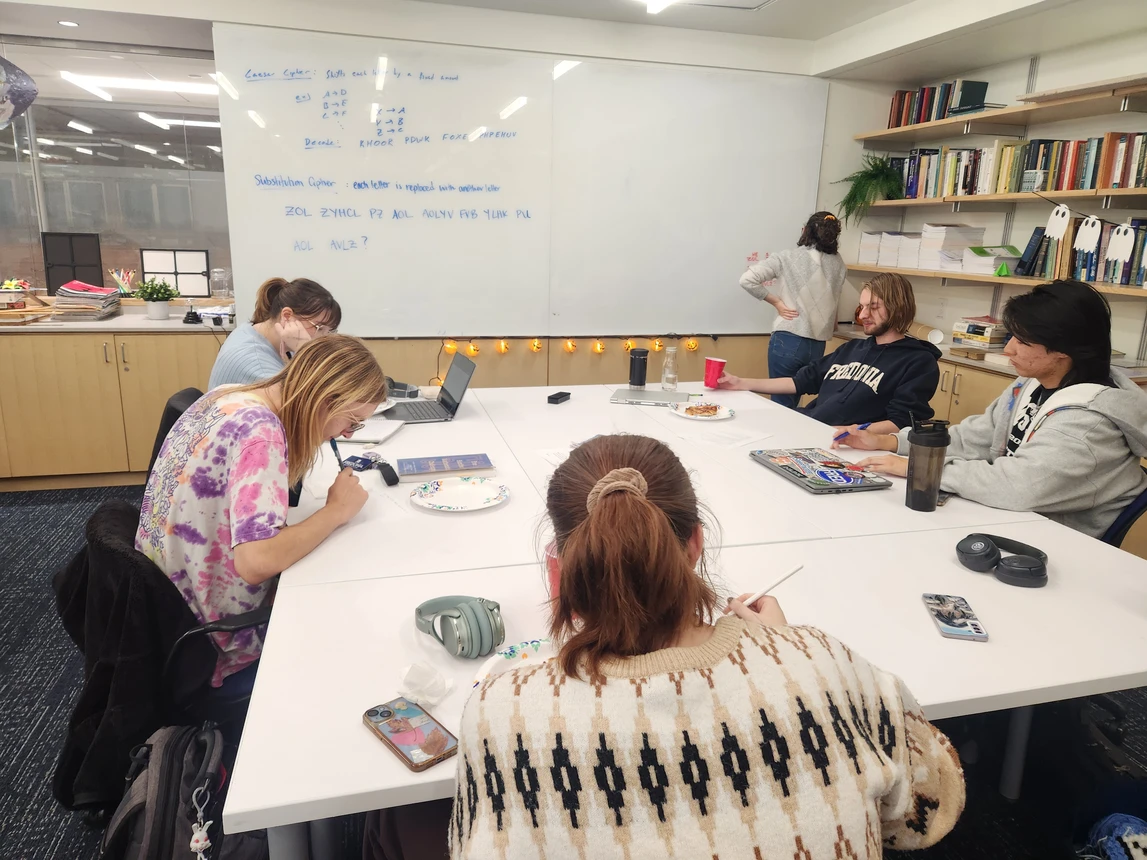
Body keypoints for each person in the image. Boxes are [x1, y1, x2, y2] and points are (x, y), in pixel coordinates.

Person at [450, 434, 964, 858]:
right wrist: (785, 651)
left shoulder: (503, 710)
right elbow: (924, 814)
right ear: (696, 545)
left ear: (561, 565)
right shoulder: (825, 663)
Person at [138, 335, 386, 690]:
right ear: (325, 400)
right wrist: (335, 512)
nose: (347, 433)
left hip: (165, 608)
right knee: (355, 631)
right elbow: (256, 563)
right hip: (211, 637)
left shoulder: (227, 395)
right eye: (352, 421)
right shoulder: (262, 434)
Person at [836, 279, 1147, 538]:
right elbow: (976, 437)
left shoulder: (1089, 425)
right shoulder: (1032, 383)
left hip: (1063, 544)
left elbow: (1018, 486)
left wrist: (921, 469)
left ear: (1064, 351)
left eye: (1022, 342)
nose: (1008, 349)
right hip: (1013, 520)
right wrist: (891, 442)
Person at [721, 273, 941, 434]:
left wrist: (849, 432)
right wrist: (741, 383)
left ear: (898, 308)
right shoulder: (852, 348)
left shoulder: (919, 362)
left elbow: (901, 423)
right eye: (861, 306)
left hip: (841, 443)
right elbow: (800, 382)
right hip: (808, 426)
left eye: (873, 307)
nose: (863, 314)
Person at [739, 211, 847, 409]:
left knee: (782, 406)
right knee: (797, 406)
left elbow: (747, 280)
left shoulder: (787, 257)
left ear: (805, 231)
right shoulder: (839, 264)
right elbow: (835, 301)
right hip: (817, 346)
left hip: (788, 339)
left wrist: (777, 303)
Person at [208, 276, 342, 388]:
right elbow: (306, 408)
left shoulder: (254, 329)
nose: (324, 338)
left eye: (329, 331)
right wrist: (305, 352)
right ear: (287, 316)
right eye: (319, 328)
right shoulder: (258, 365)